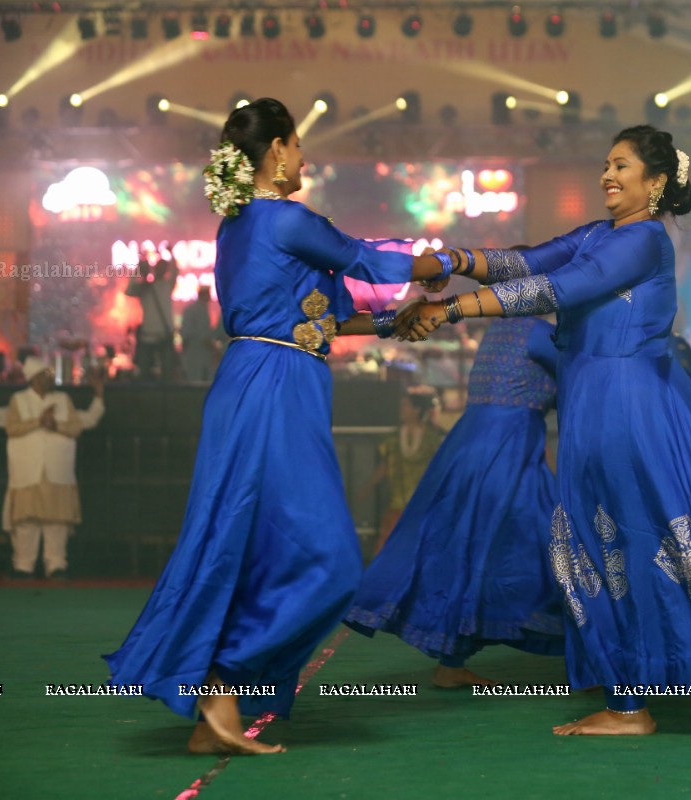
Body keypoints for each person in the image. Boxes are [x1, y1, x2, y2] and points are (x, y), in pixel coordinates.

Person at [399, 125, 691, 738]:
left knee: (631, 541)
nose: (607, 175)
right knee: (627, 544)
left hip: (627, 401)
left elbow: (558, 287)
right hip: (594, 400)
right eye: (605, 164)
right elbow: (531, 260)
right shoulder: (601, 234)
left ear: (655, 183)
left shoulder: (645, 240)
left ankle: (656, 697)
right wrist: (453, 262)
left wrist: (452, 307)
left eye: (621, 166)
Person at [103, 98, 469, 756]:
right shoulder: (282, 219)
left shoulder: (241, 226)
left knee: (253, 547)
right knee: (328, 561)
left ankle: (215, 705)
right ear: (274, 150)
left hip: (270, 382)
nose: (304, 158)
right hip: (273, 386)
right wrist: (454, 264)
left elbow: (329, 316)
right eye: (297, 146)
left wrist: (397, 320)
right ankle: (222, 681)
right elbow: (360, 256)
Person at [346, 317, 563, 686]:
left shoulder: (497, 329)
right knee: (549, 541)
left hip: (471, 443)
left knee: (465, 545)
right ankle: (590, 658)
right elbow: (579, 378)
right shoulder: (541, 334)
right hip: (508, 447)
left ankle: (450, 663)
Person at [2, 357, 105, 579]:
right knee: (26, 521)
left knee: (56, 521)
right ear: (33, 379)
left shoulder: (62, 398)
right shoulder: (18, 400)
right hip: (27, 471)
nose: (49, 378)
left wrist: (54, 424)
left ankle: (56, 564)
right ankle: (23, 565)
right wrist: (38, 422)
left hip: (58, 470)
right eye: (44, 375)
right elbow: (12, 427)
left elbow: (76, 427)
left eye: (49, 374)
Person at [357, 389, 446, 553]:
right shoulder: (394, 440)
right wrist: (367, 487)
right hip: (397, 507)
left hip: (423, 505)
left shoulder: (432, 439)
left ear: (417, 410)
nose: (401, 409)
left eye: (405, 406)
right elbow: (385, 467)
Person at [126, 256, 179, 381]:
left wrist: (171, 255)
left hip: (163, 337)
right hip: (149, 337)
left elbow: (175, 272)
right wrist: (137, 270)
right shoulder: (145, 287)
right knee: (145, 375)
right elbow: (129, 290)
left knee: (167, 375)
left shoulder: (166, 285)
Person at [180, 286, 223, 382]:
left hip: (190, 351)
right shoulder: (201, 310)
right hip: (199, 351)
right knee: (198, 381)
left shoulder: (189, 309)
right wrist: (215, 350)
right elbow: (203, 336)